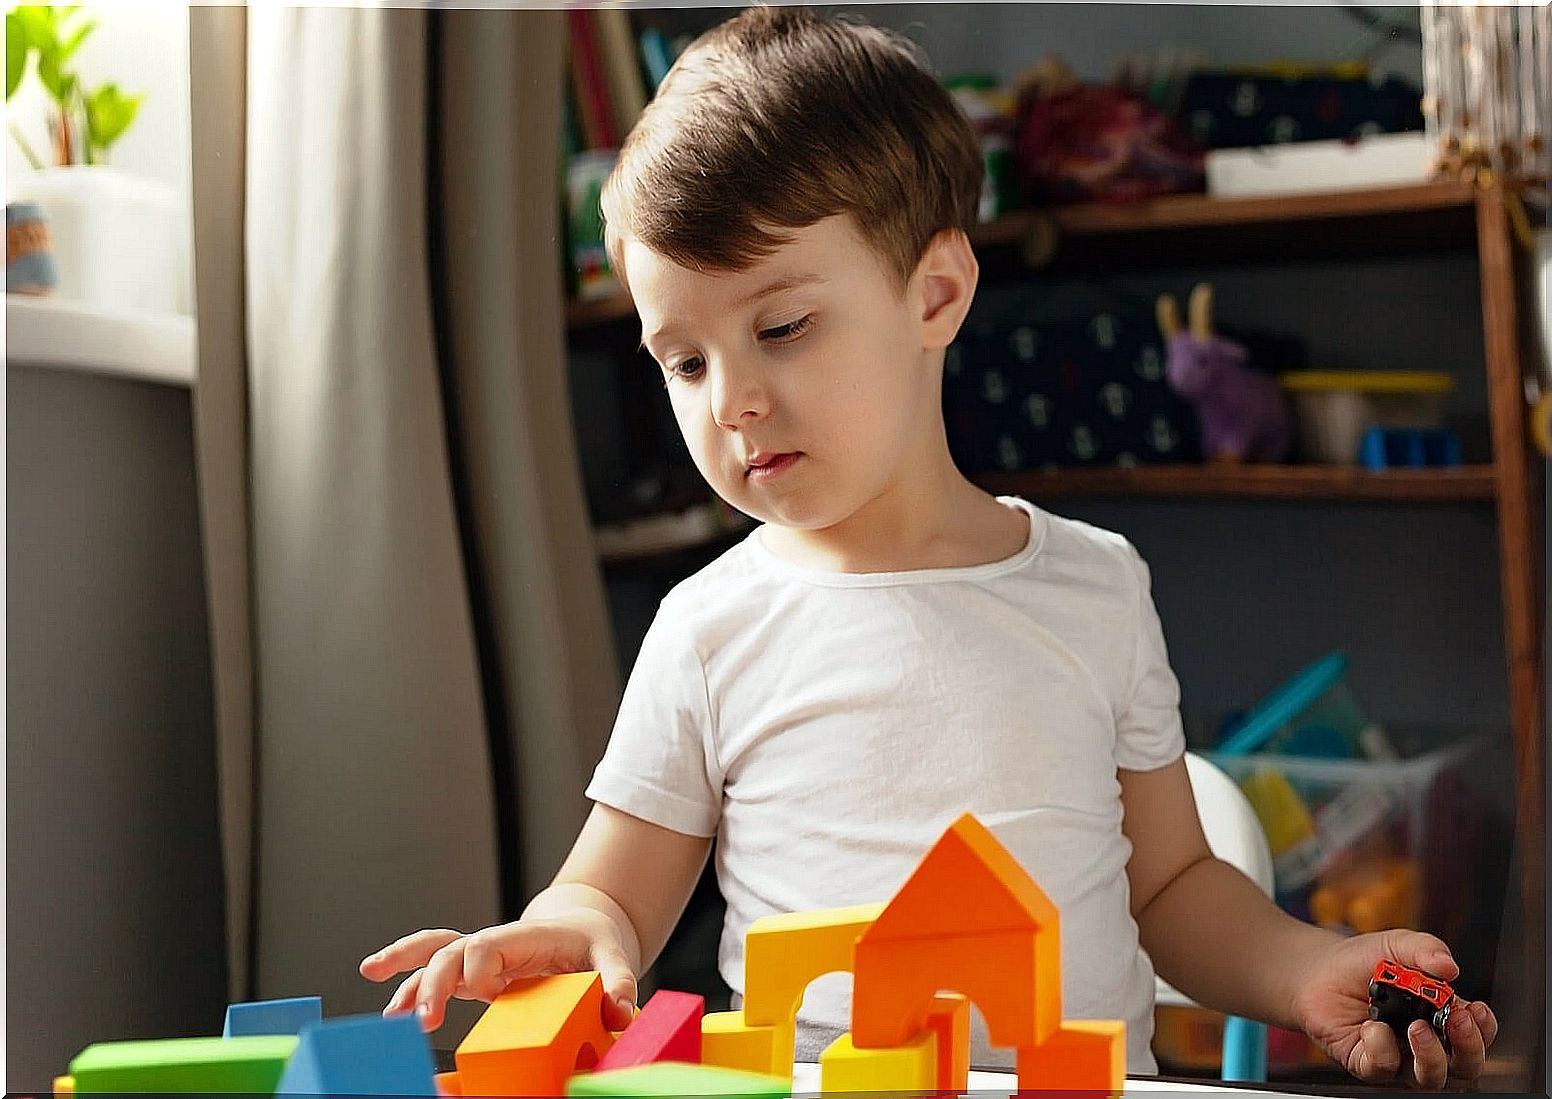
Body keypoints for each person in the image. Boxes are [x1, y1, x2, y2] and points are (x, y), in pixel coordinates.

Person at [361, 7, 1497, 1087]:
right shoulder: (707, 627)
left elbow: (1172, 886)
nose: (733, 402)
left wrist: (1305, 970)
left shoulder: (1096, 586)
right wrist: (560, 936)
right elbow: (608, 897)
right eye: (684, 360)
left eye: (782, 327)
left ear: (936, 293)